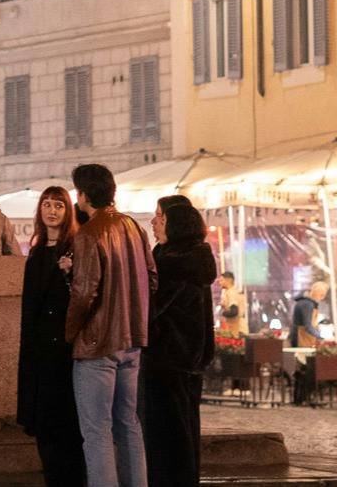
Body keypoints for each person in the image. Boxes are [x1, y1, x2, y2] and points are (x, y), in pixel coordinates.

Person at [65, 163, 155, 487]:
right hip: (132, 340)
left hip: (97, 344)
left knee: (97, 430)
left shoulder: (89, 233)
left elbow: (84, 292)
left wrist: (70, 331)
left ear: (83, 194)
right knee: (128, 423)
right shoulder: (134, 227)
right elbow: (152, 277)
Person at [142, 197, 214, 487]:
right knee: (184, 431)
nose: (154, 222)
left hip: (170, 359)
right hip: (186, 360)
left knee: (169, 436)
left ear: (177, 222)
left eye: (160, 216)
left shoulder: (174, 263)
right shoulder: (185, 256)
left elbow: (151, 308)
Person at [17, 185, 84, 487]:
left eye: (58, 205)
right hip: (39, 347)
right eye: (47, 204)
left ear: (67, 211)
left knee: (66, 419)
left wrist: (71, 273)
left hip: (66, 349)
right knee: (43, 419)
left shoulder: (76, 249)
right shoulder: (35, 252)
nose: (52, 210)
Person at [286, 280, 327, 348]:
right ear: (318, 293)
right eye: (322, 295)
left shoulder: (305, 302)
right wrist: (320, 337)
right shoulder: (307, 304)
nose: (322, 298)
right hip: (301, 340)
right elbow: (308, 326)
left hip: (301, 338)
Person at [215, 273, 244, 338]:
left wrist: (223, 313)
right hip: (233, 329)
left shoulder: (232, 292)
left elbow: (234, 312)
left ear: (229, 280)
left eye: (221, 280)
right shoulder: (229, 292)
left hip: (236, 331)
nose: (220, 283)